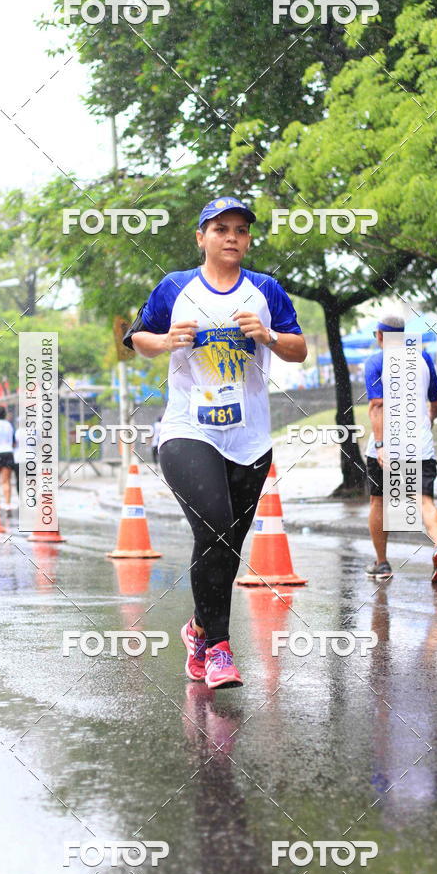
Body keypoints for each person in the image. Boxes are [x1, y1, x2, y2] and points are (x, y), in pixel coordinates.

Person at [124, 195, 307, 689]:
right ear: (201, 237)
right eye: (220, 228)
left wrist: (267, 336)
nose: (232, 237)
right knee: (218, 529)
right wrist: (165, 341)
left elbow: (299, 349)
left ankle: (200, 630)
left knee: (226, 548)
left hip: (248, 440)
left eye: (241, 230)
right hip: (187, 431)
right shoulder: (176, 288)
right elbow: (139, 337)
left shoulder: (266, 289)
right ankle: (221, 651)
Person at [364, 315, 437, 585]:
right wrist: (428, 422)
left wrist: (380, 446)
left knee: (379, 502)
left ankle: (382, 563)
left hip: (387, 447)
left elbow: (377, 406)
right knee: (424, 501)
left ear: (380, 336)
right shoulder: (423, 359)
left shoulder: (376, 362)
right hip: (419, 445)